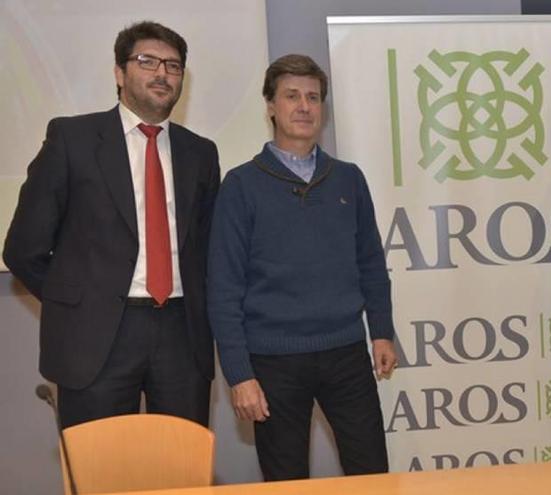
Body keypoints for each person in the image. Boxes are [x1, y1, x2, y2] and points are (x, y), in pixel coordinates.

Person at [3, 21, 219, 428]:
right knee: (99, 475)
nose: (161, 73)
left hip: (181, 335)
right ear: (119, 73)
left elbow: (208, 252)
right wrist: (77, 301)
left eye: (173, 67)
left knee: (181, 476)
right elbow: (23, 249)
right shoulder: (73, 139)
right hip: (96, 338)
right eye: (147, 61)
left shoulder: (201, 154)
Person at [208, 54, 397, 481]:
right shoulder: (241, 185)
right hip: (272, 363)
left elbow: (370, 261)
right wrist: (240, 375)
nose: (304, 106)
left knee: (372, 474)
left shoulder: (348, 179)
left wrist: (382, 331)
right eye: (291, 96)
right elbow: (223, 288)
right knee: (286, 482)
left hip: (346, 353)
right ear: (271, 106)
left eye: (313, 97)